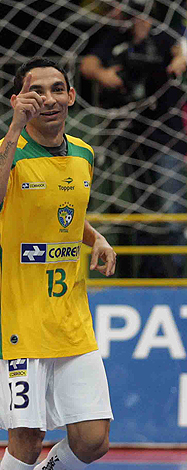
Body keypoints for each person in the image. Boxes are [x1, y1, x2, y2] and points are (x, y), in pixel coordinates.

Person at [0, 57, 117, 470]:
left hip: (71, 322)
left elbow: (62, 208)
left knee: (93, 441)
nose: (47, 99)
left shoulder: (84, 155)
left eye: (57, 89)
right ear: (17, 100)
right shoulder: (5, 155)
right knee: (28, 441)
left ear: (71, 96)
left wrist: (95, 237)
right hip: (19, 323)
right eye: (36, 91)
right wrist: (14, 130)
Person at [80, 0, 187, 278]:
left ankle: (172, 276)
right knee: (141, 213)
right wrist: (104, 75)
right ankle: (146, 273)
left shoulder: (165, 36)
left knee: (171, 211)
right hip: (130, 138)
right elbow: (88, 64)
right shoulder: (116, 38)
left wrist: (177, 62)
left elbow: (181, 54)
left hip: (166, 138)